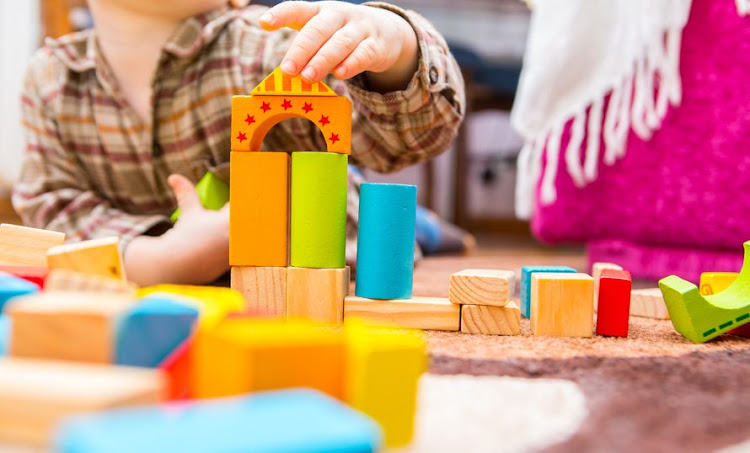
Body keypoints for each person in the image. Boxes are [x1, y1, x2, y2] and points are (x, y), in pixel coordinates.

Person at [13, 0, 465, 285]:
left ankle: (423, 226)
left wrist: (396, 50)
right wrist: (156, 260)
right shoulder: (48, 77)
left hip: (319, 247)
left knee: (385, 219)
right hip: (164, 247)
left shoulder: (275, 51)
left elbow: (405, 143)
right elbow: (54, 208)